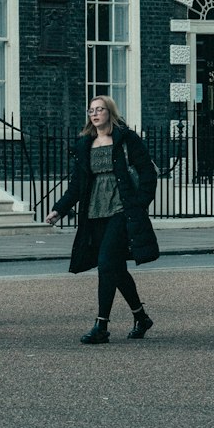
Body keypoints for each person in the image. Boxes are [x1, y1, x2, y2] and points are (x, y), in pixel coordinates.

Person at [44, 95, 159, 343]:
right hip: (95, 213)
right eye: (91, 110)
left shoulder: (127, 139)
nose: (95, 114)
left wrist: (139, 204)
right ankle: (141, 317)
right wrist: (59, 210)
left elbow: (148, 174)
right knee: (116, 269)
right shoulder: (85, 144)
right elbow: (77, 185)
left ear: (110, 112)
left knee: (106, 263)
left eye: (100, 109)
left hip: (121, 210)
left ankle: (102, 326)